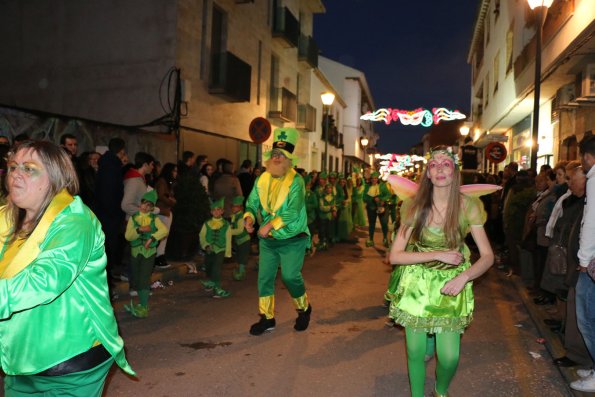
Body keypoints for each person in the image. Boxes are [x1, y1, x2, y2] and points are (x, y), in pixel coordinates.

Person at [0, 140, 135, 395]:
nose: (16, 173)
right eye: (12, 167)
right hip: (20, 359)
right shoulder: (6, 217)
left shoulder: (75, 221)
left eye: (29, 168)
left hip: (70, 364)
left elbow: (45, 279)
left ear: (55, 178)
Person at [387, 146, 494, 397]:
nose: (440, 169)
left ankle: (440, 390)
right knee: (414, 352)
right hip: (418, 282)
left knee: (449, 357)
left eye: (446, 164)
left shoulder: (468, 207)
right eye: (434, 165)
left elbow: (488, 256)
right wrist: (436, 254)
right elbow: (395, 256)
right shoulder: (414, 206)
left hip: (452, 284)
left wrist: (464, 277)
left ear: (455, 171)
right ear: (428, 174)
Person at [244, 127, 311, 336]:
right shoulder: (262, 178)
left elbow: (292, 211)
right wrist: (249, 218)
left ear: (289, 159)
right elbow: (252, 202)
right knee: (264, 278)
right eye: (274, 154)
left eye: (281, 155)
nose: (277, 158)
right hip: (269, 241)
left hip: (293, 238)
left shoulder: (297, 181)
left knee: (290, 277)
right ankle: (267, 318)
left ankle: (304, 308)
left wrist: (270, 225)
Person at [572, 135, 595, 392]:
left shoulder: (594, 178)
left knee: (588, 318)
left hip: (592, 262)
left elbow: (591, 222)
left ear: (588, 157)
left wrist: (583, 260)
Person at [124, 190, 168, 318]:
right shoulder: (134, 218)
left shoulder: (154, 219)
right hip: (135, 252)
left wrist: (152, 238)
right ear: (140, 204)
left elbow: (164, 230)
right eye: (144, 204)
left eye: (149, 205)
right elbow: (128, 236)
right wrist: (139, 229)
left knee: (144, 278)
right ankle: (142, 304)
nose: (145, 207)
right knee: (137, 279)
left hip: (149, 254)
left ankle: (144, 306)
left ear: (152, 208)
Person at [199, 198, 232, 298]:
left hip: (220, 249)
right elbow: (202, 235)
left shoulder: (226, 224)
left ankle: (218, 289)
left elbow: (228, 238)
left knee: (216, 268)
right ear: (211, 212)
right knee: (208, 267)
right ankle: (211, 282)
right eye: (214, 210)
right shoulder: (206, 223)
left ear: (222, 211)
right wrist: (206, 245)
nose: (216, 212)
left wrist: (227, 252)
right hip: (209, 250)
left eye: (219, 209)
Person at [154, 162, 177, 270]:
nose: (176, 173)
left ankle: (160, 256)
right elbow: (161, 196)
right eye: (174, 171)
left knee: (164, 235)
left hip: (165, 211)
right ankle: (159, 257)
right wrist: (171, 201)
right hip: (162, 211)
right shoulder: (162, 181)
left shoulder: (167, 182)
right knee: (162, 235)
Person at [230, 195, 251, 281]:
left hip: (244, 240)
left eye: (235, 207)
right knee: (239, 255)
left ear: (240, 208)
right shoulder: (235, 216)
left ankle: (241, 273)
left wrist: (228, 232)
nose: (233, 208)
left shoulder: (241, 217)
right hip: (238, 240)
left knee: (242, 256)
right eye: (233, 206)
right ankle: (240, 271)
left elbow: (239, 230)